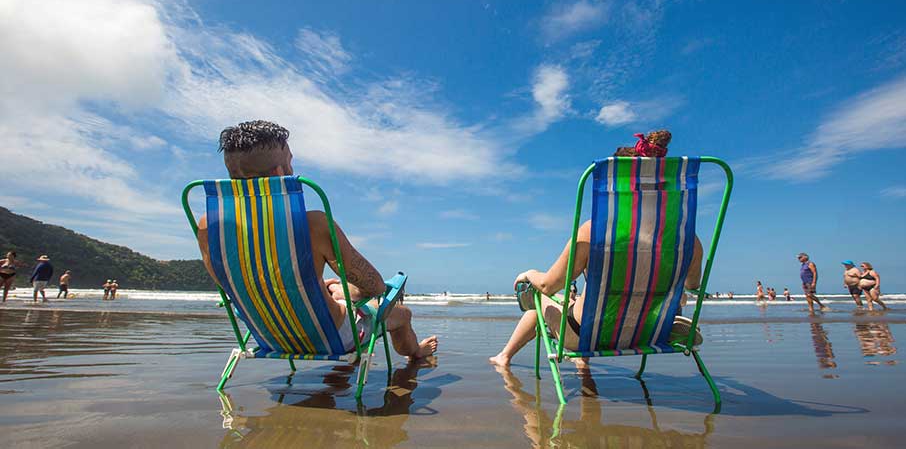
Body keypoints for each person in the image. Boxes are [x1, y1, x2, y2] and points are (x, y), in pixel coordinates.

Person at [195, 120, 437, 360]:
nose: (292, 168)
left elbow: (233, 286)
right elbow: (375, 286)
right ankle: (417, 354)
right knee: (402, 314)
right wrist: (351, 291)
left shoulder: (209, 227)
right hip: (331, 339)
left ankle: (337, 293)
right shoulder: (313, 225)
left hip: (269, 336)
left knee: (332, 289)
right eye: (290, 161)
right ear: (280, 173)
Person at [488, 219, 704, 368]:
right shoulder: (688, 240)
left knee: (540, 301)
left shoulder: (593, 231)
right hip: (651, 333)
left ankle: (504, 356)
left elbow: (547, 286)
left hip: (586, 336)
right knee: (578, 303)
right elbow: (693, 285)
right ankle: (671, 325)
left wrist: (529, 273)